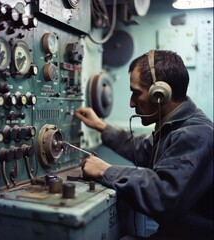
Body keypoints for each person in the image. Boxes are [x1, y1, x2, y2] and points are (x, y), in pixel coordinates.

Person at [75, 50, 213, 240]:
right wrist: (101, 126)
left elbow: (164, 194)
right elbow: (142, 148)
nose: (132, 103)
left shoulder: (194, 135)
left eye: (136, 93)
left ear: (160, 95)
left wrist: (105, 171)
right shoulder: (177, 127)